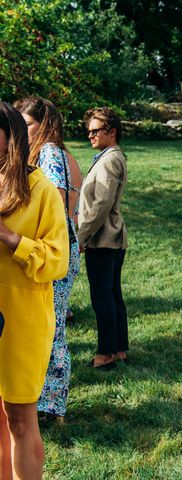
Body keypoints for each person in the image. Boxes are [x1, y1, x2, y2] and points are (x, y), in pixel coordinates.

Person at [0, 102, 69, 479]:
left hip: (21, 319)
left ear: (10, 137)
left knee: (20, 420)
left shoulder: (40, 188)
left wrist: (11, 238)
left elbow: (57, 260)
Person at [14, 96, 82, 423]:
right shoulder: (35, 155)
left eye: (27, 124)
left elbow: (55, 204)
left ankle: (51, 405)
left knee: (51, 326)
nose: (20, 130)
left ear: (45, 124)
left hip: (55, 249)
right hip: (46, 247)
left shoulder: (50, 153)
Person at [77, 107, 128, 370]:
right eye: (89, 132)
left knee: (102, 296)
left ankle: (105, 353)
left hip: (103, 238)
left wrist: (81, 235)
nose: (90, 135)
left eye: (96, 131)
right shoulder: (111, 156)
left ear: (112, 131)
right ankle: (119, 349)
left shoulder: (109, 160)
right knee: (112, 294)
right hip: (112, 237)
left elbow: (101, 204)